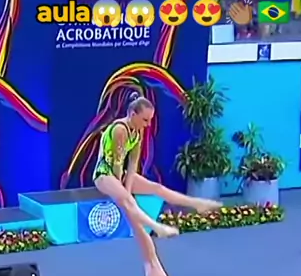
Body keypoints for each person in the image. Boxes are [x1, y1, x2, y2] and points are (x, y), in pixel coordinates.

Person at [93, 95, 221, 237]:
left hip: (119, 173)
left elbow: (133, 163)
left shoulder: (137, 132)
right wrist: (124, 192)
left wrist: (127, 188)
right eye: (145, 120)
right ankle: (157, 228)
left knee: (157, 188)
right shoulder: (120, 130)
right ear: (133, 115)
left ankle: (196, 203)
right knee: (128, 200)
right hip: (103, 174)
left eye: (150, 120)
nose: (148, 124)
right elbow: (116, 163)